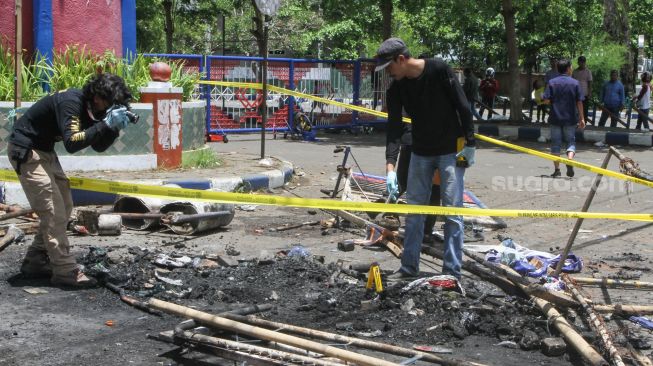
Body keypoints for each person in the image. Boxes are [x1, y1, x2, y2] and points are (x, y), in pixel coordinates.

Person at [7, 73, 134, 287]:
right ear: (97, 97)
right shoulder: (71, 103)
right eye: (111, 103)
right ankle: (65, 271)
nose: (112, 107)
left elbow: (98, 146)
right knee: (53, 210)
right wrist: (106, 124)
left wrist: (114, 127)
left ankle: (36, 261)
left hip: (44, 151)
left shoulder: (94, 109)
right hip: (26, 150)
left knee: (65, 206)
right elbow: (72, 143)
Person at [375, 37, 475, 280]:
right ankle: (409, 269)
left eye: (389, 67)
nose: (388, 73)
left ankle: (451, 273)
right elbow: (394, 129)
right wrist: (390, 167)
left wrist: (470, 143)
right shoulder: (397, 88)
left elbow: (462, 105)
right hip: (421, 153)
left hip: (451, 151)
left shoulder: (439, 69)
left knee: (452, 214)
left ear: (401, 59)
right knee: (415, 214)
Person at [542, 59, 585, 178]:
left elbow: (546, 100)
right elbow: (579, 102)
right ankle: (569, 160)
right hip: (570, 118)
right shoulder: (575, 83)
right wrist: (582, 118)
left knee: (556, 144)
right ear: (568, 69)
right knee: (570, 141)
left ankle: (557, 170)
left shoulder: (552, 82)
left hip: (555, 118)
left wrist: (548, 99)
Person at [572, 56, 593, 125]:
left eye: (583, 62)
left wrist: (590, 93)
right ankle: (575, 123)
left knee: (584, 110)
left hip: (585, 94)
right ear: (578, 62)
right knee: (575, 110)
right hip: (576, 94)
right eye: (580, 62)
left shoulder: (588, 71)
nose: (581, 63)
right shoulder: (574, 72)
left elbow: (590, 83)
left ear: (585, 62)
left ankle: (584, 124)